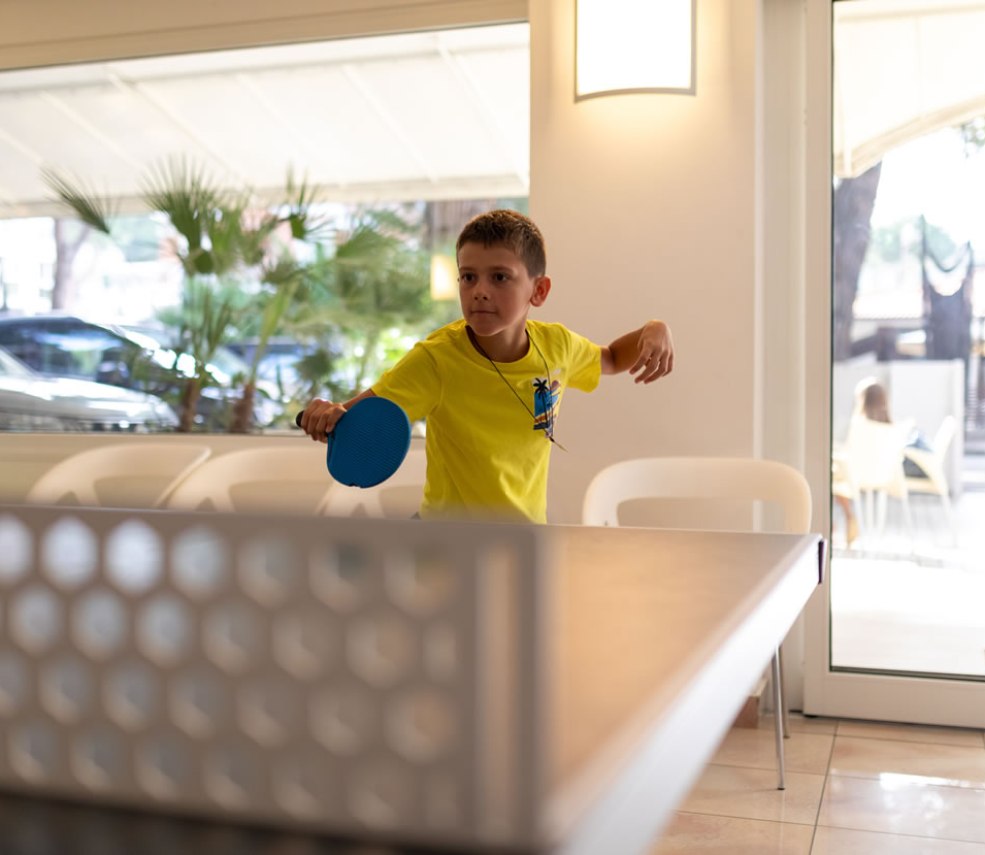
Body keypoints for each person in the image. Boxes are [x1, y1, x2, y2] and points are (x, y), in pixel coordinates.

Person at [298, 209, 674, 523]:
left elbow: (609, 358)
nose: (479, 289)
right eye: (468, 276)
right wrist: (326, 416)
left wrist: (652, 329)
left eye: (499, 277)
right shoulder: (436, 360)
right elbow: (355, 420)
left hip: (525, 537)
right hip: (448, 544)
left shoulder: (557, 346)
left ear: (538, 291)